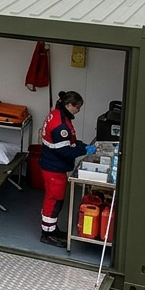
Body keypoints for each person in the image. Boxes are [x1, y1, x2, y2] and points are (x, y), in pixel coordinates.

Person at [38, 90, 94, 247]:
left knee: (54, 199)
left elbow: (67, 142)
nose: (78, 110)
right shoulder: (60, 125)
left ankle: (52, 229)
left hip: (52, 165)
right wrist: (84, 150)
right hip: (53, 168)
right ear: (68, 105)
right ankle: (47, 234)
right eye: (77, 107)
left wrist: (80, 144)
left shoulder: (57, 114)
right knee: (54, 200)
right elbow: (64, 151)